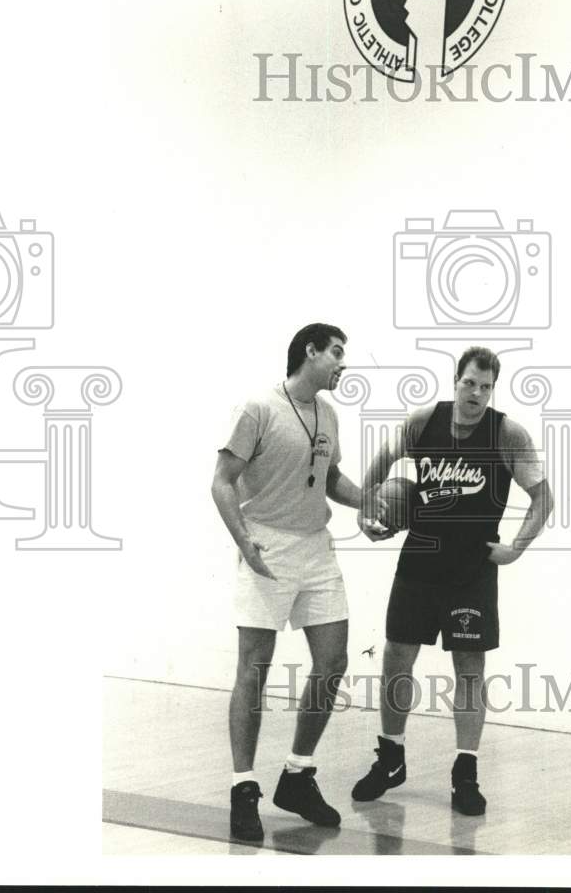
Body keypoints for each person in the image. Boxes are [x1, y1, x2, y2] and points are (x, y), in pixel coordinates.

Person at [353, 346, 554, 815]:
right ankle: (390, 758)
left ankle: (466, 772)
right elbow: (380, 463)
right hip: (420, 558)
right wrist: (367, 512)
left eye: (486, 387)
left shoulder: (507, 434)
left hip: (472, 569)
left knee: (469, 670)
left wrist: (517, 547)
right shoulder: (424, 421)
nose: (477, 394)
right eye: (470, 383)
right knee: (396, 658)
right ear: (456, 380)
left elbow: (544, 497)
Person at [212, 322, 371, 842]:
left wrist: (370, 502)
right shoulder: (256, 408)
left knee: (333, 659)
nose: (344, 363)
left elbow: (329, 480)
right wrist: (243, 541)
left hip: (315, 548)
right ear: (311, 351)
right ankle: (243, 788)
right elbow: (222, 481)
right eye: (337, 353)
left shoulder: (328, 413)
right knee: (254, 669)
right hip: (266, 546)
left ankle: (298, 776)